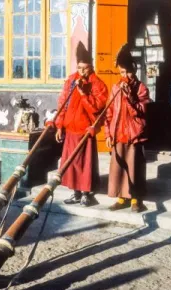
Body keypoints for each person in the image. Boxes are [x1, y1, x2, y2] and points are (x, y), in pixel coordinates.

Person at [53, 42, 108, 206]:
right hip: (70, 128)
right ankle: (75, 192)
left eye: (85, 68)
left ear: (91, 67)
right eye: (79, 68)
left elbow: (98, 107)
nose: (81, 72)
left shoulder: (97, 84)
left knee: (85, 164)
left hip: (85, 130)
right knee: (71, 163)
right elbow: (63, 103)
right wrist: (59, 125)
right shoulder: (71, 80)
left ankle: (86, 193)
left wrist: (84, 94)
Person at [104, 43, 151, 213]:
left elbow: (140, 112)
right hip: (118, 133)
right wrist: (108, 133)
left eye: (128, 72)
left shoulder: (141, 89)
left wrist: (130, 97)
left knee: (134, 167)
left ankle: (136, 199)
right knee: (119, 168)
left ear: (134, 70)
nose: (125, 76)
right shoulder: (115, 88)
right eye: (122, 73)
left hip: (134, 134)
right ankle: (121, 197)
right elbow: (108, 113)